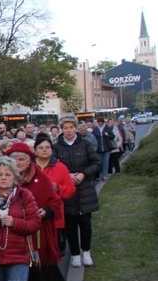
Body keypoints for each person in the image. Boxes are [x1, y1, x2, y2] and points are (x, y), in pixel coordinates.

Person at [5, 143, 67, 281]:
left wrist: (45, 211)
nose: (17, 163)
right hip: (13, 231)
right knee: (16, 268)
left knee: (36, 267)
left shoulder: (39, 176)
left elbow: (54, 202)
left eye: (21, 159)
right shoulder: (5, 177)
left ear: (29, 160)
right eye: (14, 159)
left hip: (36, 233)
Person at [52, 115, 100, 268]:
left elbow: (96, 163)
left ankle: (86, 251)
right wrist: (67, 176)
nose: (68, 131)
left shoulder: (85, 144)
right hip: (67, 189)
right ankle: (75, 254)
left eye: (71, 127)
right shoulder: (56, 147)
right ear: (61, 129)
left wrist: (83, 174)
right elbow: (54, 166)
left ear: (76, 128)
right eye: (65, 128)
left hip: (85, 187)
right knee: (70, 224)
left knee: (86, 222)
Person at [34, 135, 76, 255]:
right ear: (35, 150)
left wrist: (58, 188)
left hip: (55, 218)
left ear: (52, 150)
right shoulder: (29, 168)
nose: (44, 150)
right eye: (41, 147)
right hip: (33, 216)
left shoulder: (61, 167)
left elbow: (71, 190)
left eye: (47, 147)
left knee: (55, 252)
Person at [91, 116, 115, 181]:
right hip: (98, 149)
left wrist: (108, 135)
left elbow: (113, 136)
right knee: (100, 163)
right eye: (99, 123)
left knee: (106, 162)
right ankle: (100, 175)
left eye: (101, 123)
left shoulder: (107, 128)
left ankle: (105, 176)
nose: (100, 124)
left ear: (103, 122)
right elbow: (92, 137)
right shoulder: (95, 129)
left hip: (106, 148)